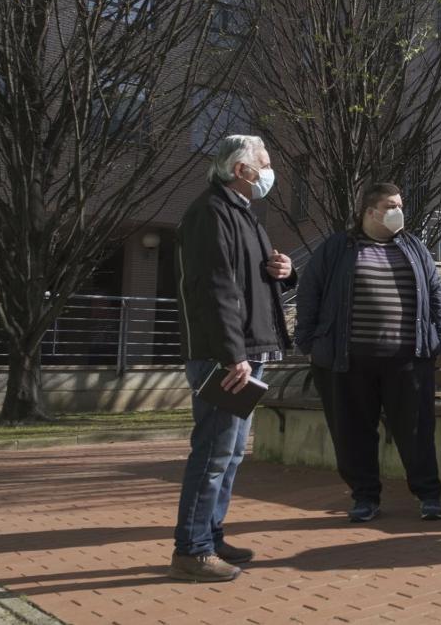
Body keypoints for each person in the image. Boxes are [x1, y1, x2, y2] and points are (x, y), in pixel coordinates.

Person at [170, 135, 296, 582]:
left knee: (230, 454)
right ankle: (192, 549)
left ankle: (210, 535)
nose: (269, 171)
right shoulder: (210, 213)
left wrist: (283, 269)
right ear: (241, 170)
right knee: (213, 453)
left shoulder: (243, 215)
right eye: (264, 163)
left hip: (244, 352)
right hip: (225, 356)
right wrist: (232, 355)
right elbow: (214, 288)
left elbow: (250, 277)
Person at [296, 183, 441, 523]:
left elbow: (436, 293)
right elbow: (310, 292)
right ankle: (365, 497)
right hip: (348, 361)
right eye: (391, 205)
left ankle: (428, 495)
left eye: (400, 204)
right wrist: (307, 343)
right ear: (370, 211)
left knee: (416, 430)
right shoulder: (338, 248)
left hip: (408, 359)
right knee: (353, 432)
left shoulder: (414, 247)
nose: (399, 211)